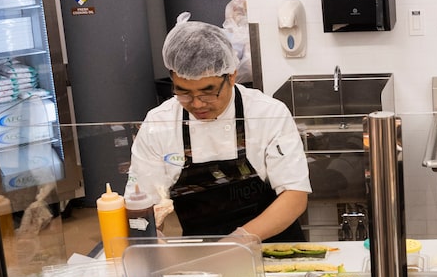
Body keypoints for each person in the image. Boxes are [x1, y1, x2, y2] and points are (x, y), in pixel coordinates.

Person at [126, 17, 311, 242]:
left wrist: (241, 239)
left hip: (272, 250)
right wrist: (154, 240)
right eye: (184, 92)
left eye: (208, 91)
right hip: (201, 256)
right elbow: (143, 203)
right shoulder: (159, 124)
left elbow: (295, 196)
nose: (197, 103)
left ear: (231, 76)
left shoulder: (267, 113)